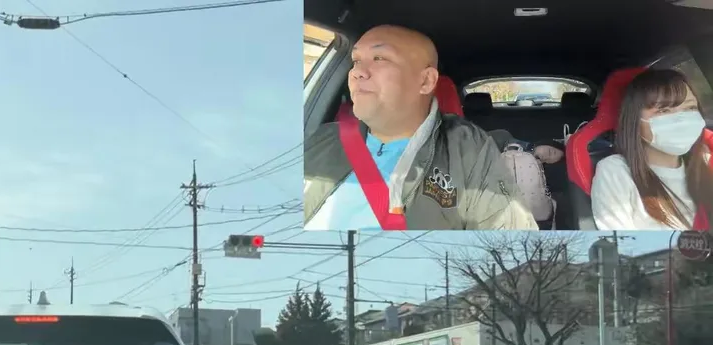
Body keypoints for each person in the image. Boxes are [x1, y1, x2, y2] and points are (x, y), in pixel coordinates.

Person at [303, 25, 537, 231]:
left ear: (425, 81)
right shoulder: (322, 138)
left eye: (379, 58)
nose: (357, 72)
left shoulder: (467, 149)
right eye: (356, 61)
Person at [591, 68, 713, 230]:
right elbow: (619, 240)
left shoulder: (707, 160)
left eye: (690, 108)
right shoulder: (615, 171)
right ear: (635, 121)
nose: (681, 120)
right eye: (663, 110)